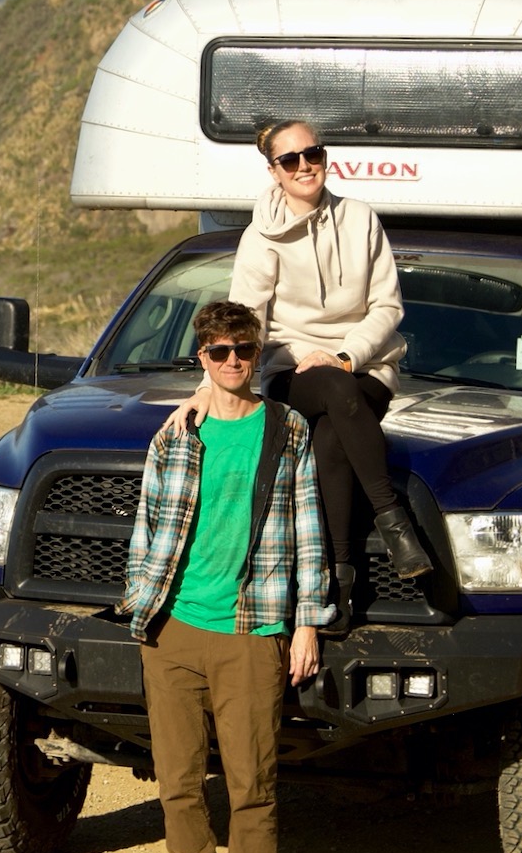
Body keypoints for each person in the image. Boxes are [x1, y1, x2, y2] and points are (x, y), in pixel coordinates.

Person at [121, 300, 334, 853]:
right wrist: (141, 609)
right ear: (200, 359)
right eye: (218, 352)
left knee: (251, 783)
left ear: (257, 351)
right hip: (173, 626)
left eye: (243, 349)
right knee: (179, 781)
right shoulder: (174, 435)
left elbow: (308, 531)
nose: (233, 362)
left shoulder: (287, 428)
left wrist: (307, 622)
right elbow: (147, 528)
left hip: (254, 628)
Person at [170, 120, 432, 633]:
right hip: (295, 373)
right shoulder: (259, 237)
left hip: (365, 367)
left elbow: (386, 306)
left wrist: (345, 354)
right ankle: (391, 517)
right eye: (290, 160)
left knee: (333, 438)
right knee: (331, 390)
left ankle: (339, 586)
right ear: (274, 172)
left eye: (312, 153)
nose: (304, 165)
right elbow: (244, 319)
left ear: (324, 156)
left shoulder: (360, 220)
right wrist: (208, 386)